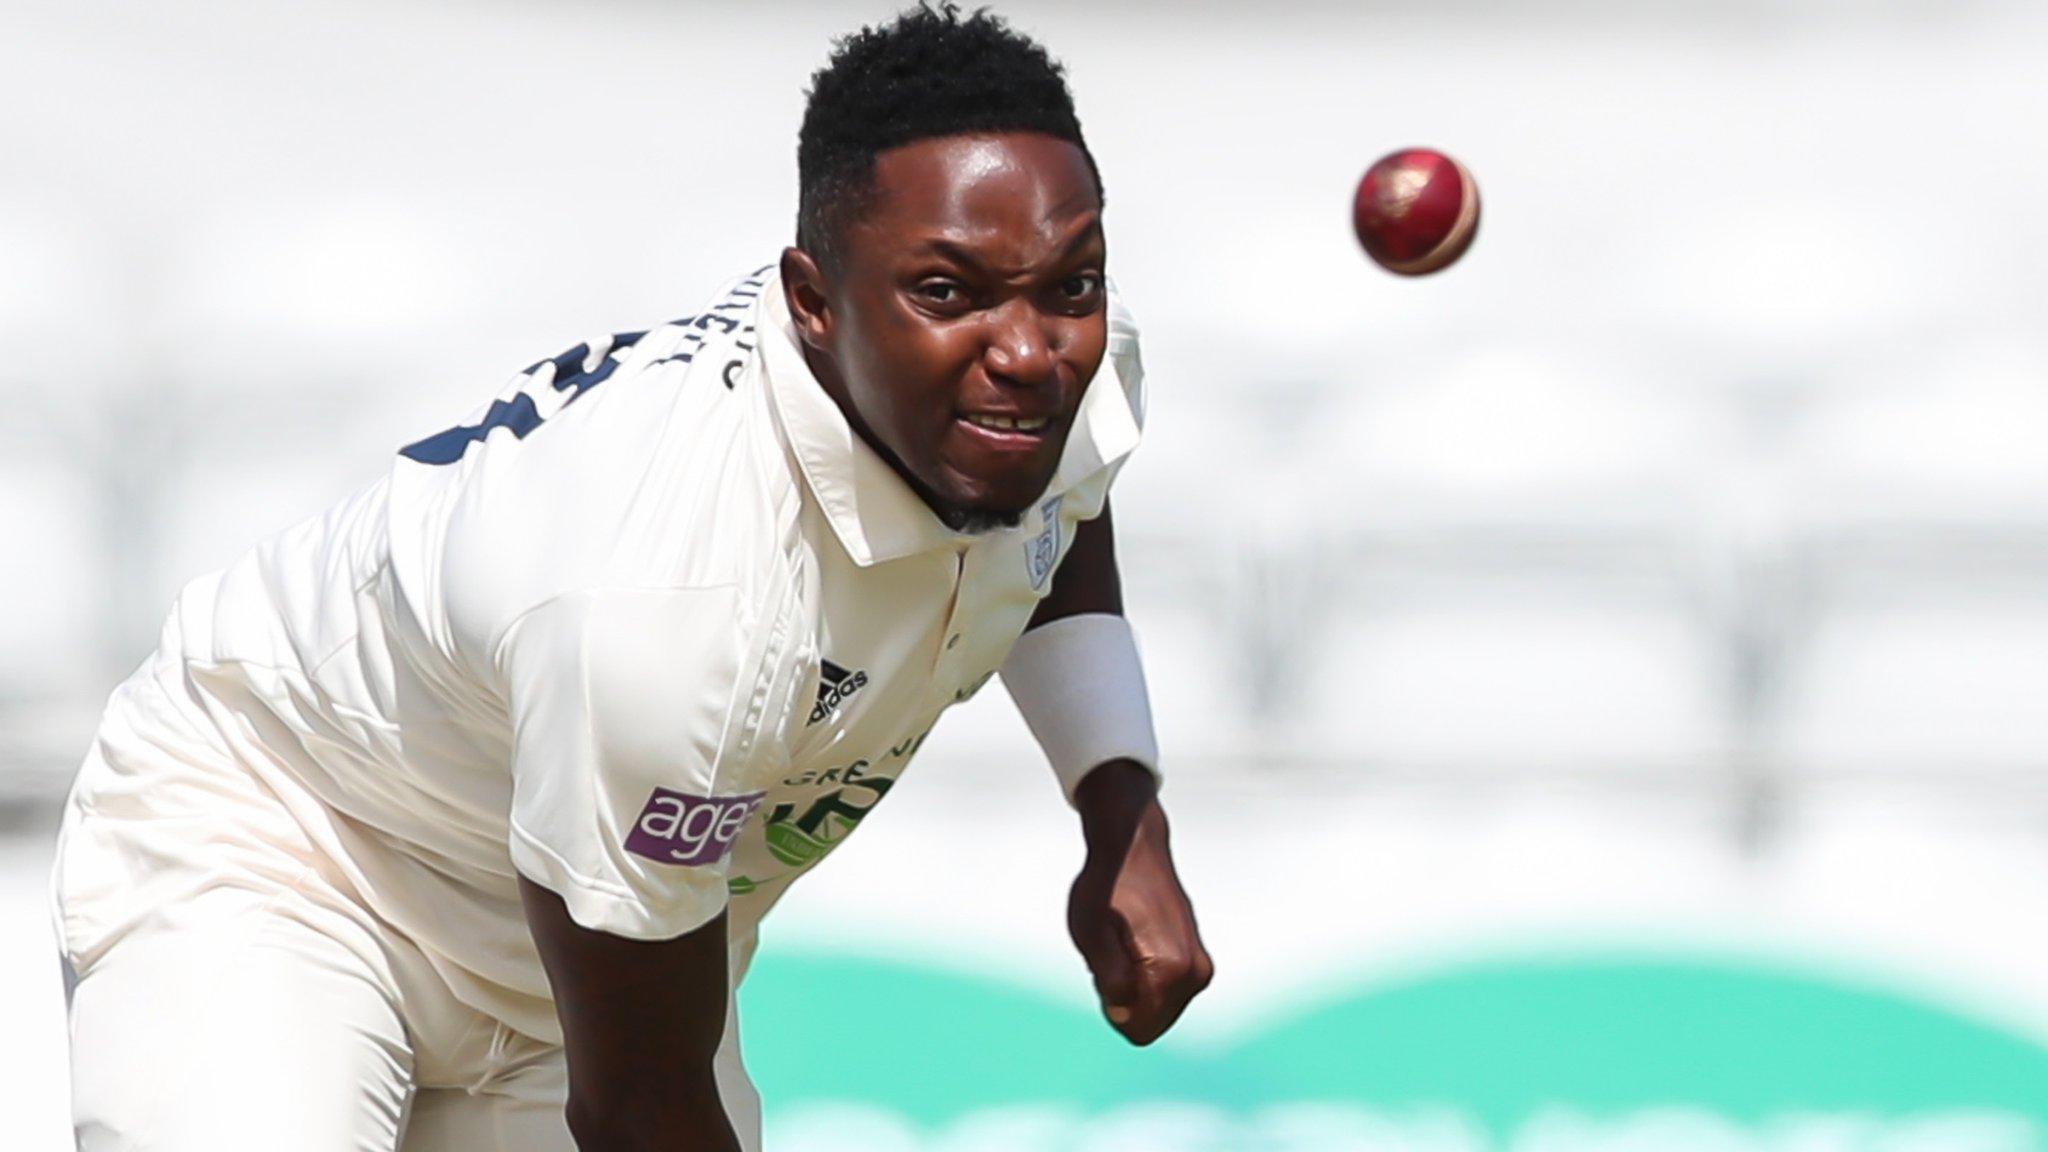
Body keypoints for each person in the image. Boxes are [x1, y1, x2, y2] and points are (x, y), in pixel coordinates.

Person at [50, 4, 1211, 1149]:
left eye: (1071, 284)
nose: (1027, 357)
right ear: (810, 301)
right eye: (946, 293)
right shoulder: (671, 598)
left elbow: (1055, 519)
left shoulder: (1059, 389)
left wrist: (1119, 812)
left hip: (573, 920)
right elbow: (638, 1109)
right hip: (291, 851)